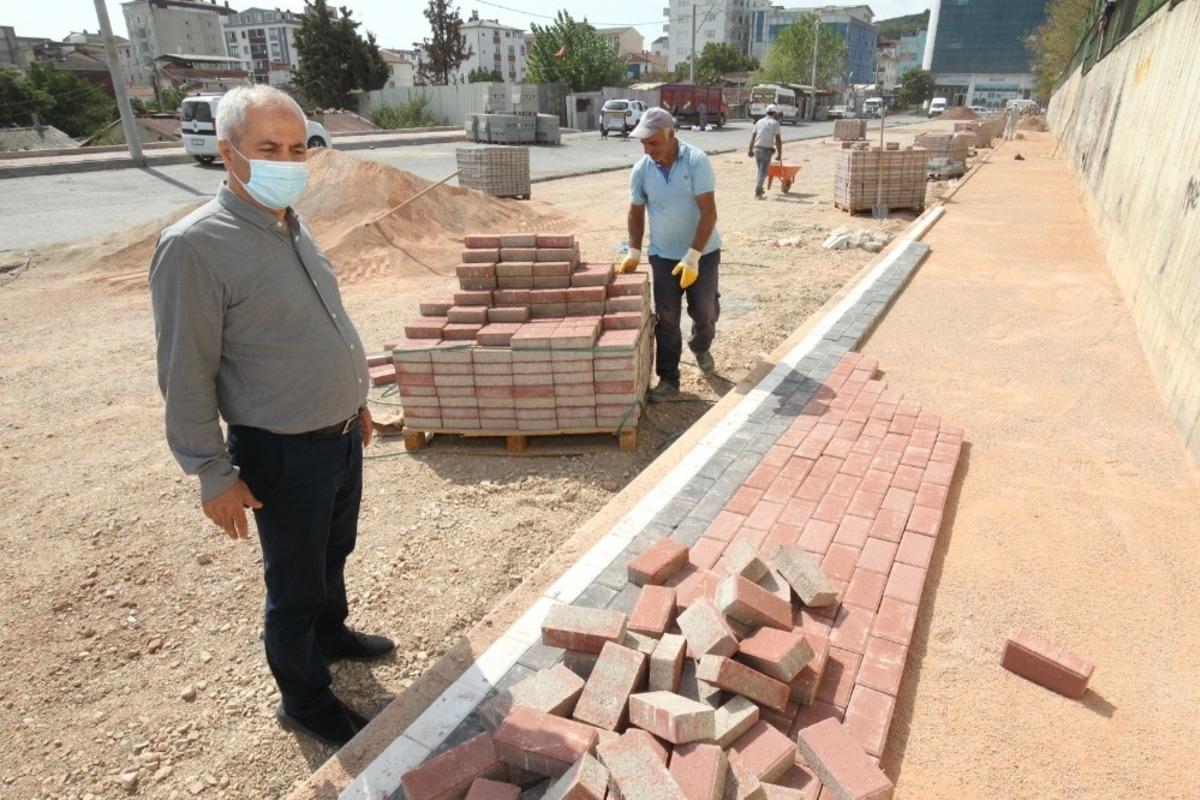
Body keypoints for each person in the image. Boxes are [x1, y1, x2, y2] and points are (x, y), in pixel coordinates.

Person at [149, 84, 394, 748]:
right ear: (229, 154)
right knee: (292, 582)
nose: (288, 160)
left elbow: (323, 324)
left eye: (297, 147)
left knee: (332, 554)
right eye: (269, 148)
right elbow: (185, 371)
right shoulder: (194, 247)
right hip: (282, 450)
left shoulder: (290, 220)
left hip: (339, 436)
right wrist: (211, 473)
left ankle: (331, 636)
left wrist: (356, 401)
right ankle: (305, 697)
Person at [618, 107, 720, 401]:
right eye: (643, 144)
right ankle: (668, 379)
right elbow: (635, 213)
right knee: (668, 318)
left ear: (671, 135)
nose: (648, 149)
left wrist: (693, 256)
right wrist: (634, 251)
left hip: (703, 252)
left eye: (653, 143)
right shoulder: (642, 170)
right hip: (663, 256)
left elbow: (709, 214)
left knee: (705, 311)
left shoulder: (696, 162)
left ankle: (701, 346)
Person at [748, 103, 783, 199]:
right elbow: (778, 140)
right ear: (775, 113)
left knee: (760, 171)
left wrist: (750, 150)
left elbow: (753, 137)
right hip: (766, 151)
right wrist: (779, 153)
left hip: (757, 150)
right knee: (763, 172)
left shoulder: (759, 121)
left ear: (767, 112)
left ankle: (760, 188)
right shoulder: (775, 123)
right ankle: (758, 192)